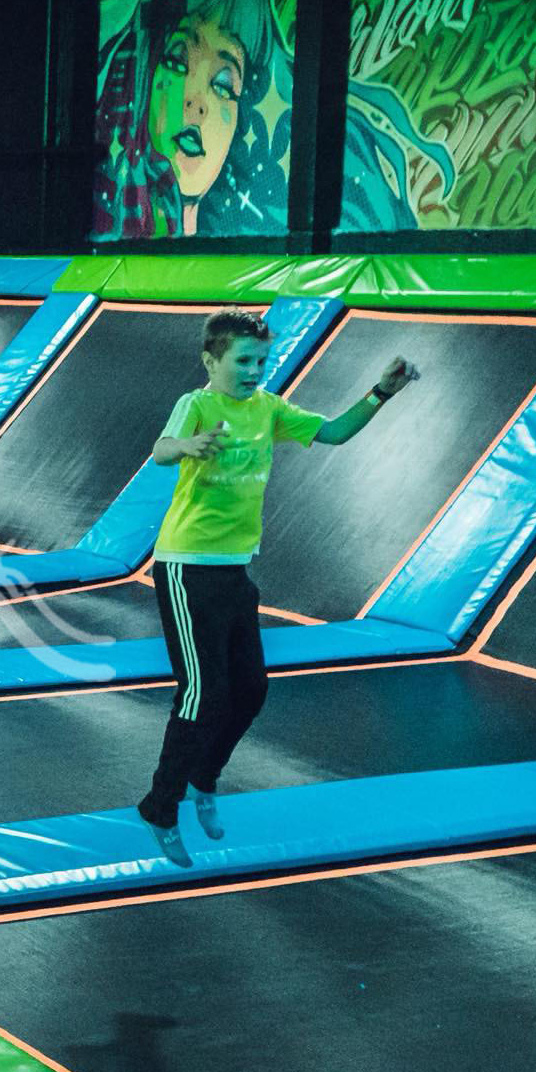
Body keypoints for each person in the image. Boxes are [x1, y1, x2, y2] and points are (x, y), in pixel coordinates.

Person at [136, 308, 418, 868]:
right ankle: (160, 806)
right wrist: (186, 448)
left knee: (252, 689)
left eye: (261, 361)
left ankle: (204, 778)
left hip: (235, 568)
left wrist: (380, 393)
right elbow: (161, 449)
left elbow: (333, 432)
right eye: (243, 361)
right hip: (186, 565)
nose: (254, 370)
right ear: (211, 360)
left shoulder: (268, 409)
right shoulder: (198, 405)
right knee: (200, 693)